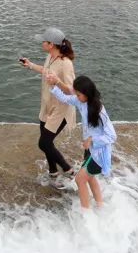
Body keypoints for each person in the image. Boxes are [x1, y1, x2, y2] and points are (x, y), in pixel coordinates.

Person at [45, 73, 116, 210]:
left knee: (80, 179)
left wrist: (92, 139)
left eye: (78, 95)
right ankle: (100, 206)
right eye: (76, 94)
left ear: (87, 93)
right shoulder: (81, 101)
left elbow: (112, 136)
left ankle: (86, 214)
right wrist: (53, 85)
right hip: (89, 151)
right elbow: (65, 98)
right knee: (90, 178)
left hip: (98, 154)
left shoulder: (99, 111)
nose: (76, 97)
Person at [18, 27, 78, 189]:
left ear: (51, 44)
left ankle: (69, 170)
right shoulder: (50, 57)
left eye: (43, 41)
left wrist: (57, 81)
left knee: (44, 143)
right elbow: (46, 71)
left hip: (61, 110)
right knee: (48, 142)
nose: (41, 43)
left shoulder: (66, 64)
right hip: (47, 106)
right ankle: (53, 173)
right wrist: (30, 65)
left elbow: (72, 90)